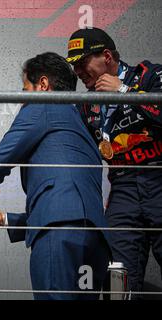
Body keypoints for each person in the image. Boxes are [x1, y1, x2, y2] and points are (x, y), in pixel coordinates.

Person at [0, 52, 111, 300]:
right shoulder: (78, 122)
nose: (23, 98)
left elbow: (2, 157)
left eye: (25, 90)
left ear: (43, 85)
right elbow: (68, 202)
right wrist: (5, 219)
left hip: (59, 235)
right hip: (95, 240)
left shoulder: (43, 104)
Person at [66, 27, 162, 298]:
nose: (79, 72)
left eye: (83, 62)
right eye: (74, 66)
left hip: (159, 177)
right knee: (118, 275)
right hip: (122, 188)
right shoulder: (86, 102)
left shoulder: (149, 75)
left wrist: (123, 91)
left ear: (106, 56)